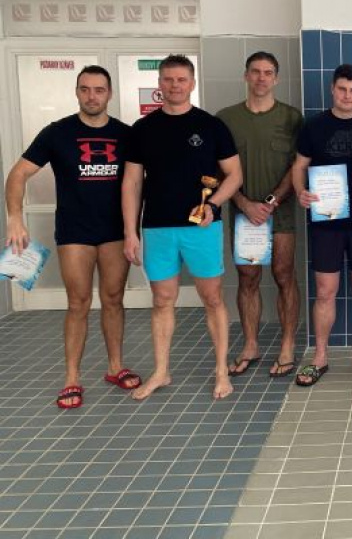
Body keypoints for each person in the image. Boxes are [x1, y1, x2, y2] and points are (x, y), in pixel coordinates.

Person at [4, 65, 139, 408]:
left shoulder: (126, 135)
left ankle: (115, 366)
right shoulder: (57, 133)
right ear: (77, 92)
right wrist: (15, 218)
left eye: (99, 89)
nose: (92, 96)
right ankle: (71, 379)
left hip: (114, 231)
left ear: (109, 93)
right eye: (85, 89)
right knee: (78, 302)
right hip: (74, 232)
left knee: (113, 298)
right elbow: (18, 174)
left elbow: (146, 178)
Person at [122, 54, 242, 400]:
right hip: (158, 227)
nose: (175, 86)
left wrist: (213, 205)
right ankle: (161, 371)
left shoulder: (211, 126)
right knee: (162, 300)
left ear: (192, 83)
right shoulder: (142, 129)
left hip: (201, 228)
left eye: (181, 79)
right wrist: (130, 231)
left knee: (212, 298)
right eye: (168, 79)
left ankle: (221, 371)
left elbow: (235, 175)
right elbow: (131, 183)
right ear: (159, 84)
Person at [292, 64, 352, 386]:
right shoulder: (314, 127)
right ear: (332, 89)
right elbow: (299, 166)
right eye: (342, 89)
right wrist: (300, 191)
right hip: (326, 223)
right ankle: (320, 357)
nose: (347, 96)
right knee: (324, 290)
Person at [217, 52, 303, 378]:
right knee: (248, 278)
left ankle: (287, 346)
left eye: (268, 73)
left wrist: (271, 201)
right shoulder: (226, 119)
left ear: (276, 78)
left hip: (280, 215)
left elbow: (298, 166)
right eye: (256, 72)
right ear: (246, 76)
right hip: (243, 215)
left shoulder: (291, 118)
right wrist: (244, 203)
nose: (261, 78)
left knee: (284, 275)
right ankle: (250, 345)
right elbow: (219, 171)